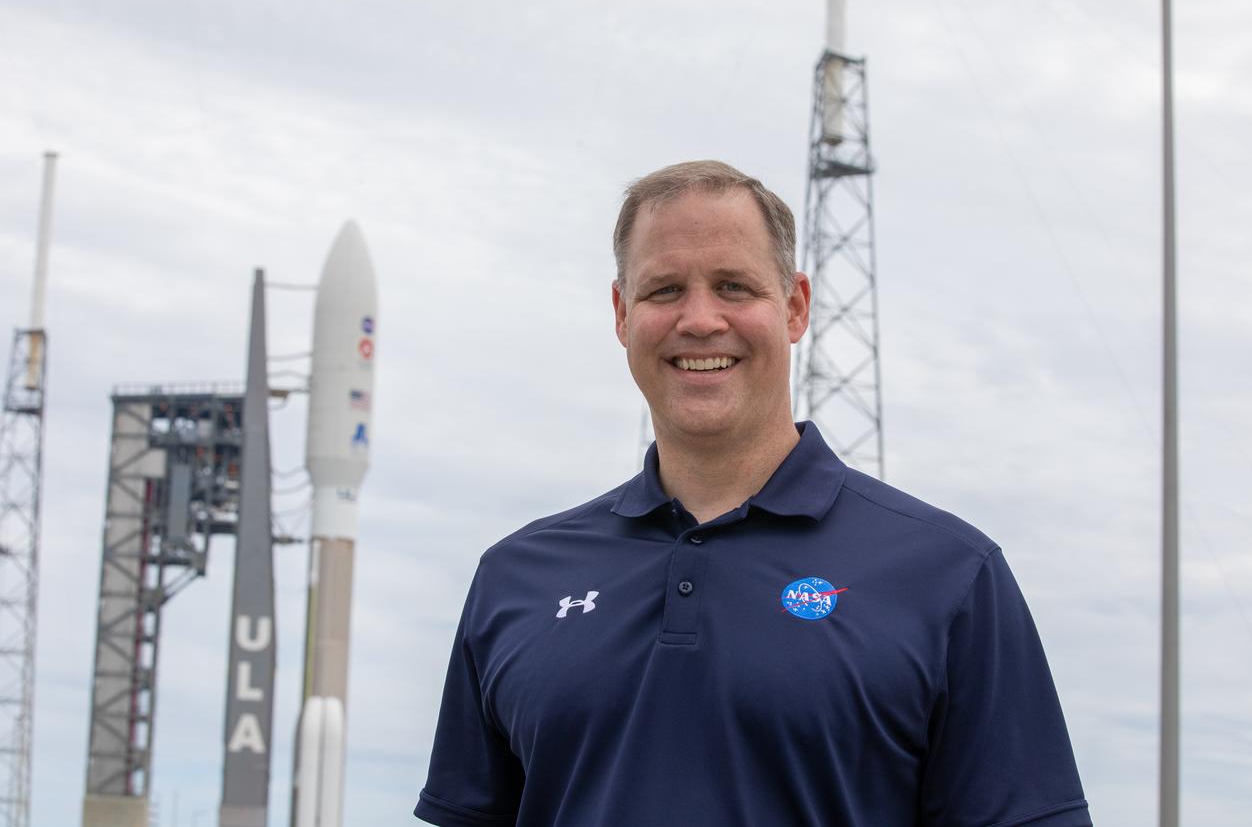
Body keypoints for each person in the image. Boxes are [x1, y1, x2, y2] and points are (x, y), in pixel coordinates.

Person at [414, 160, 1091, 826]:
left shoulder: (948, 576)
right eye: (664, 290)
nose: (701, 319)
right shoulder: (516, 578)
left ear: (794, 307)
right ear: (622, 315)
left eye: (735, 287)